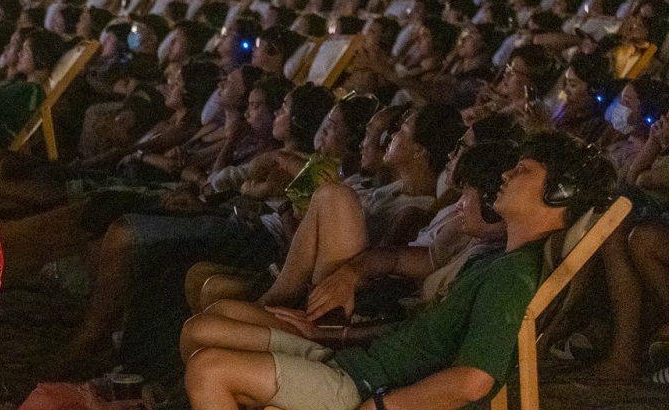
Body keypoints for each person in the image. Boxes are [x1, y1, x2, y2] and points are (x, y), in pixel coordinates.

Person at [179, 132, 612, 410]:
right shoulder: (493, 260)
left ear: (558, 193)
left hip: (363, 386)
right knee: (205, 335)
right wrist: (333, 337)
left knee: (209, 369)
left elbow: (474, 381)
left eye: (522, 171)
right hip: (360, 364)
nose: (505, 174)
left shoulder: (511, 278)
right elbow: (426, 335)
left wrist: (383, 407)